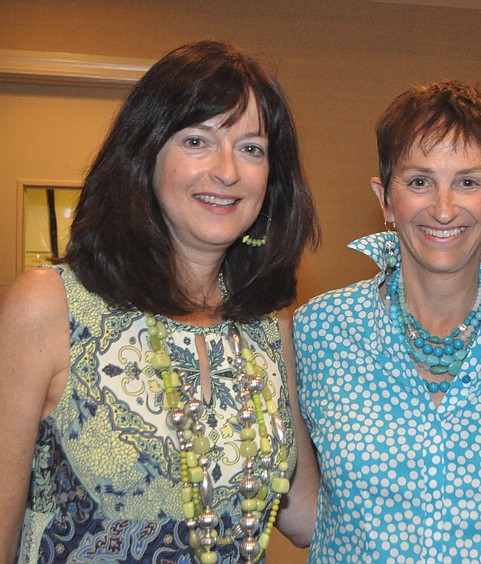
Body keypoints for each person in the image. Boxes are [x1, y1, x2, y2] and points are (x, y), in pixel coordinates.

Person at [0, 40, 320, 563]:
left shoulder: (268, 322)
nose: (227, 171)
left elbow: (304, 513)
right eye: (197, 141)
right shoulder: (49, 304)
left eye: (251, 148)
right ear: (145, 154)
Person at [294, 81, 481, 562]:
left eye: (467, 182)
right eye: (419, 181)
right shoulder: (315, 332)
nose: (443, 209)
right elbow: (301, 509)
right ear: (385, 199)